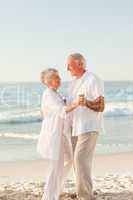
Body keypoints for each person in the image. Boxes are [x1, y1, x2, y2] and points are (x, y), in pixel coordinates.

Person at [37, 68, 81, 200]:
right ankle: (49, 196)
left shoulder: (55, 93)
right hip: (53, 135)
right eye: (57, 78)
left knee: (70, 158)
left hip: (61, 134)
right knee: (55, 166)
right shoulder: (49, 94)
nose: (60, 79)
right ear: (49, 81)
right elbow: (62, 110)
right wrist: (77, 103)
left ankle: (58, 189)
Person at [66, 53, 105, 200]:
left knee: (80, 160)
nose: (67, 68)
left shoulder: (93, 79)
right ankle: (81, 191)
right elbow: (69, 105)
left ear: (80, 64)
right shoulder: (73, 83)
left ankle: (85, 196)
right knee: (77, 163)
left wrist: (86, 102)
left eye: (69, 65)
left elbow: (101, 105)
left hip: (89, 127)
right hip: (75, 127)